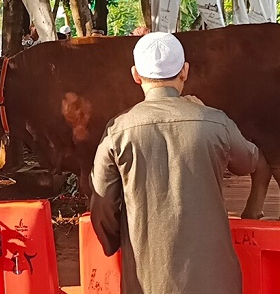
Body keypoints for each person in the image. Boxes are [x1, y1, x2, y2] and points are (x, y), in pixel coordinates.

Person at [89, 32, 259, 294]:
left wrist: (115, 242)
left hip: (147, 278)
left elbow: (103, 203)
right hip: (214, 279)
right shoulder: (214, 121)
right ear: (185, 71)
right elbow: (248, 161)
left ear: (135, 74)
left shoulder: (117, 131)